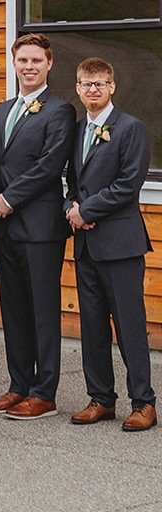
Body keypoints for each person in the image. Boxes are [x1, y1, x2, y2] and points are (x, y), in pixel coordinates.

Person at [0, 33, 72, 419]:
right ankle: (18, 384)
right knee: (14, 308)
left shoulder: (60, 111)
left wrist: (10, 198)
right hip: (3, 226)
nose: (29, 66)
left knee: (42, 308)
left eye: (37, 60)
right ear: (14, 63)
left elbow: (49, 166)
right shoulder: (2, 110)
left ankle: (44, 391)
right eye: (23, 60)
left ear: (49, 64)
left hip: (40, 227)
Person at [66, 58, 155, 431]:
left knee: (129, 325)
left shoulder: (131, 128)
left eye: (100, 84)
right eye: (87, 84)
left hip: (120, 244)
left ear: (113, 87)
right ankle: (100, 398)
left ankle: (143, 403)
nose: (93, 90)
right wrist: (70, 207)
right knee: (93, 326)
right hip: (86, 245)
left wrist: (86, 210)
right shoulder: (76, 130)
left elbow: (128, 184)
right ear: (77, 88)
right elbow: (70, 181)